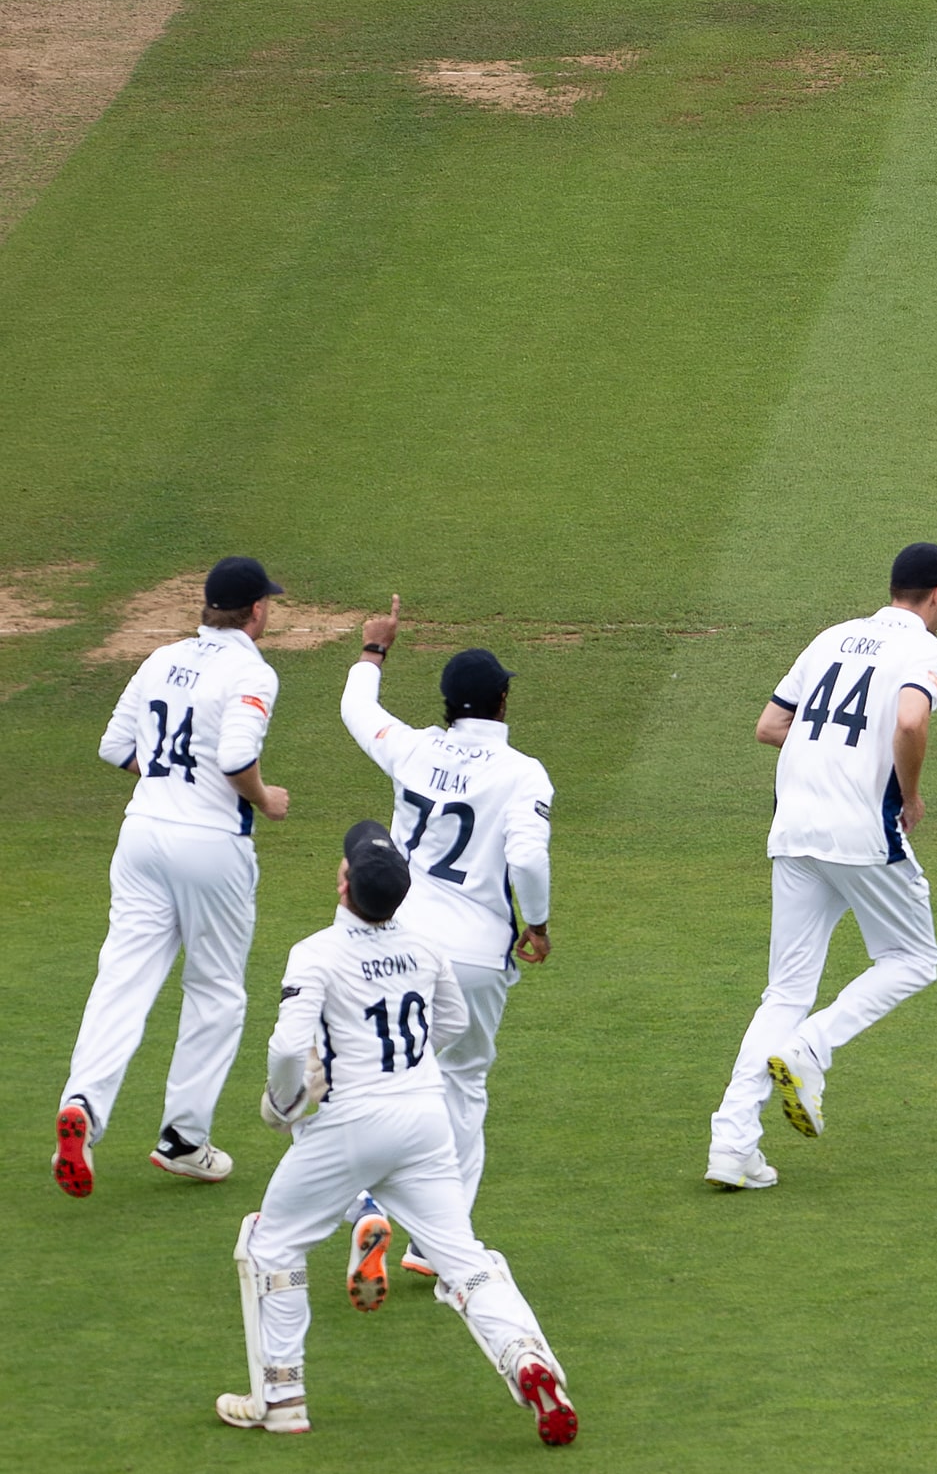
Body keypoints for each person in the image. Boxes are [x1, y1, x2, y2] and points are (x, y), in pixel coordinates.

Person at [221, 821, 576, 1445]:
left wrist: (285, 1102)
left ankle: (280, 1398)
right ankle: (529, 1359)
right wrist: (407, 1069)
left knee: (270, 1247)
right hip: (423, 1120)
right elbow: (453, 1021)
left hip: (349, 1122)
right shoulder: (426, 947)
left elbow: (285, 1046)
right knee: (463, 1258)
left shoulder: (315, 953)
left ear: (341, 883)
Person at [705, 542, 937, 1190]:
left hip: (793, 827)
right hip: (858, 831)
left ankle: (731, 1143)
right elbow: (908, 720)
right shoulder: (927, 651)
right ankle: (811, 1049)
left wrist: (829, 750)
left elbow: (770, 725)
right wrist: (909, 793)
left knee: (784, 991)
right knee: (912, 958)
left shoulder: (832, 638)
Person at [54, 556, 294, 1198]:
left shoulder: (160, 659)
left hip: (142, 836)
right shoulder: (251, 671)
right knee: (214, 990)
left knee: (122, 980)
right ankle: (183, 1139)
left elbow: (115, 746)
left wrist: (166, 778)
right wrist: (264, 798)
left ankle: (81, 1106)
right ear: (256, 611)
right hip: (212, 844)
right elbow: (238, 756)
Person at [337, 596, 555, 1274]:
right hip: (474, 955)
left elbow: (358, 713)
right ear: (502, 700)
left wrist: (374, 650)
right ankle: (438, 1240)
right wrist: (539, 923)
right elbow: (526, 859)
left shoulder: (413, 749)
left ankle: (369, 1196)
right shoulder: (522, 773)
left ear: (446, 702)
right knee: (461, 1084)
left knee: (387, 1070)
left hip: (394, 938)